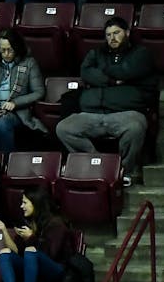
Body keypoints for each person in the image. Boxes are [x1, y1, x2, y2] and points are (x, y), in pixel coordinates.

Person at [55, 16, 156, 188]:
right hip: (92, 113)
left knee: (136, 128)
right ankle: (99, 163)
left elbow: (127, 71)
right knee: (64, 128)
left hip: (126, 113)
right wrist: (112, 80)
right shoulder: (96, 53)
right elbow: (85, 72)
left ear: (127, 33)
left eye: (116, 33)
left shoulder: (141, 54)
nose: (112, 38)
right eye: (108, 35)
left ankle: (124, 171)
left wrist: (102, 72)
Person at [0, 188, 71, 282]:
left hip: (55, 269)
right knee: (5, 253)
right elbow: (17, 252)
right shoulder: (29, 222)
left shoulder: (57, 224)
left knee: (30, 252)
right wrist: (3, 230)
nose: (21, 206)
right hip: (32, 268)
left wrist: (31, 237)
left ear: (36, 203)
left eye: (25, 202)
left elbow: (52, 253)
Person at [0, 29, 45, 157]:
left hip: (15, 111)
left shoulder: (29, 63)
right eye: (3, 50)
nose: (6, 54)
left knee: (2, 124)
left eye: (10, 50)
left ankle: (7, 161)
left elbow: (39, 92)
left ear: (17, 48)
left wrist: (15, 103)